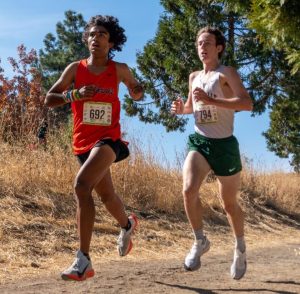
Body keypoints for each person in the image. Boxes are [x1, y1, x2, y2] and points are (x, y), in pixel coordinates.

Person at [45, 15, 144, 281]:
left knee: (81, 185)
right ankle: (127, 224)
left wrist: (137, 91)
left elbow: (136, 90)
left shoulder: (119, 69)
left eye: (101, 34)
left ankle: (83, 261)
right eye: (91, 34)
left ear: (111, 42)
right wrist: (74, 94)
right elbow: (49, 99)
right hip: (81, 143)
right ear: (86, 40)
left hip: (108, 140)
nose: (95, 38)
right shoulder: (75, 70)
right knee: (107, 196)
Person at [171, 27, 253, 280]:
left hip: (225, 145)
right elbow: (191, 107)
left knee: (229, 204)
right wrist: (180, 109)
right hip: (201, 142)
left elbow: (247, 103)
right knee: (188, 189)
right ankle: (200, 240)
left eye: (207, 43)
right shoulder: (194, 76)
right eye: (198, 43)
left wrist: (212, 100)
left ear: (219, 47)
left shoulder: (226, 73)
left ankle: (239, 247)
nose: (202, 47)